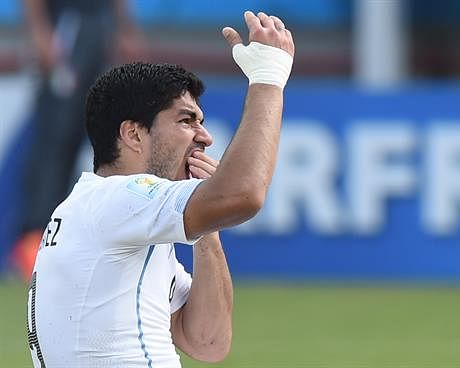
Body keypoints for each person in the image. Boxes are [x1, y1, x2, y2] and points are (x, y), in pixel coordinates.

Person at [27, 10, 294, 368]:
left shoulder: (108, 213)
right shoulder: (122, 199)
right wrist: (268, 78)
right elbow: (243, 194)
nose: (205, 136)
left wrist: (207, 227)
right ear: (133, 134)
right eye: (186, 120)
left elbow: (207, 341)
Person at [13, 0, 146, 280]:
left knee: (102, 134)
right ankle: (35, 240)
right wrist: (40, 33)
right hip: (68, 24)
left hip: (100, 22)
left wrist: (123, 27)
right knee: (56, 137)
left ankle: (83, 240)